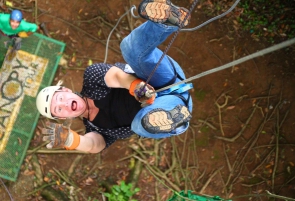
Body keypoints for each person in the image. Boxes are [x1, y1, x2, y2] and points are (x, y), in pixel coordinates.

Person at [36, 0, 193, 153]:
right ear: (62, 118)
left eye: (60, 98)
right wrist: (71, 140)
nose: (64, 105)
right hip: (172, 107)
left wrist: (136, 87)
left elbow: (117, 77)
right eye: (58, 109)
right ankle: (171, 118)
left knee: (129, 48)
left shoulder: (91, 80)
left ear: (66, 90)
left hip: (162, 77)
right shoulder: (96, 128)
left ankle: (166, 22)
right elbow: (92, 144)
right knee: (140, 125)